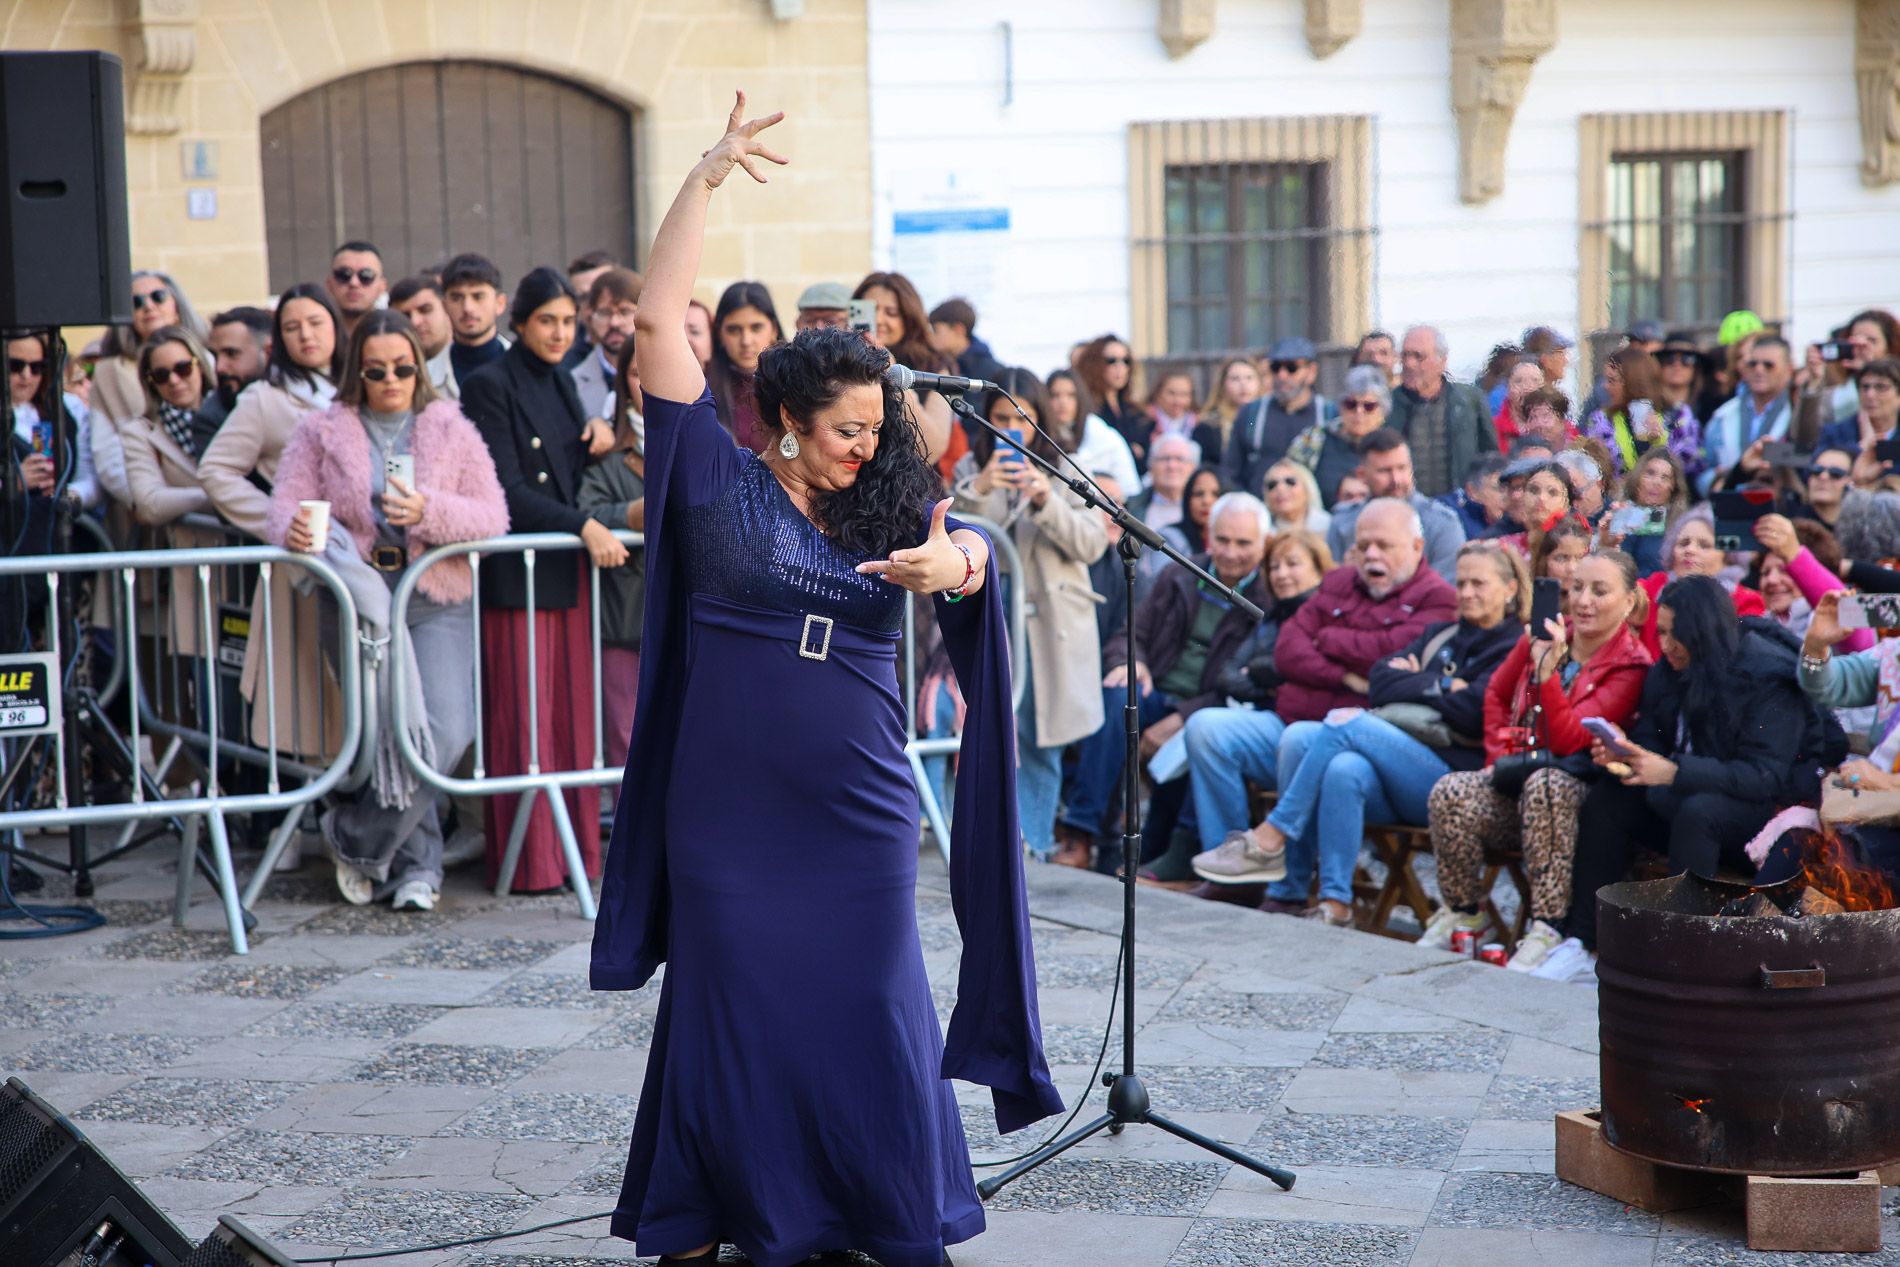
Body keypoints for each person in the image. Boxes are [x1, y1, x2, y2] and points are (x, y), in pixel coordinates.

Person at [588, 96, 1060, 1267]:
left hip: (854, 803)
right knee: (730, 1011)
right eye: (846, 428)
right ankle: (721, 1214)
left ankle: (881, 1214)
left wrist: (956, 563)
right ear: (787, 419)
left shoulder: (889, 495)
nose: (867, 444)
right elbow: (659, 319)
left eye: (874, 426)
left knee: (873, 1009)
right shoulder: (705, 467)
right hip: (728, 805)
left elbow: (973, 556)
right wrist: (701, 179)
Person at [269, 309, 508, 911]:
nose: (392, 379)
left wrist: (428, 509)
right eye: (377, 369)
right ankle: (417, 871)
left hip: (435, 597)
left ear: (419, 367)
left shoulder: (449, 426)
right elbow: (285, 508)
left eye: (404, 367)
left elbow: (493, 516)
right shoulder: (321, 430)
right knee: (386, 738)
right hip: (357, 602)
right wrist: (296, 534)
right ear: (357, 370)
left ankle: (353, 837)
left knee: (444, 734)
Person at [1196, 543, 1525, 924]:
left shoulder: (1513, 644)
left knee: (1346, 721)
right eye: (1462, 582)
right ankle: (1333, 901)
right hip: (1396, 771)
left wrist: (1419, 681)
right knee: (1329, 756)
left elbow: (1473, 712)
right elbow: (1381, 683)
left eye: (1478, 583)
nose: (1466, 593)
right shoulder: (1441, 635)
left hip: (1454, 781)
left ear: (1510, 589)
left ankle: (1272, 836)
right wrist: (1444, 687)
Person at [1563, 576, 1846, 981]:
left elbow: (1763, 776)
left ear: (1701, 632)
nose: (1665, 644)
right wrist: (1627, 755)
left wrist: (1674, 771)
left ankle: (1684, 957)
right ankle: (1585, 940)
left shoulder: (1766, 676)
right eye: (1660, 632)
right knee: (1610, 797)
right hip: (1688, 797)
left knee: (1701, 812)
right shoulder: (1670, 669)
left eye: (1675, 634)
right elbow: (1653, 737)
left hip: (1763, 815)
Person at [1184, 499, 1456, 900]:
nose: (1371, 556)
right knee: (1205, 728)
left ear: (1417, 547)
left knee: (1304, 739)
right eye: (1363, 546)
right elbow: (1288, 649)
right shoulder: (1339, 581)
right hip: (1288, 717)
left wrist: (1327, 639)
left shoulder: (1439, 598)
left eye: (1384, 545)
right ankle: (1236, 874)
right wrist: (1344, 672)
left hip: (1354, 742)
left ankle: (1287, 884)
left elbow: (1385, 658)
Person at [460, 267, 622, 895]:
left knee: (571, 725)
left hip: (564, 571)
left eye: (566, 322)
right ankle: (530, 864)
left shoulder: (561, 379)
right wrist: (582, 526)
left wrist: (600, 438)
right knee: (525, 721)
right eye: (546, 321)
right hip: (520, 574)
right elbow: (508, 490)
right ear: (518, 322)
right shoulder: (487, 384)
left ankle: (576, 857)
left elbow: (567, 468)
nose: (559, 333)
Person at [1422, 550, 1652, 975]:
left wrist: (1546, 675)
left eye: (1599, 591)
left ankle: (1546, 926)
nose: (1583, 601)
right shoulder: (1547, 634)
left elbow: (1569, 741)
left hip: (1576, 795)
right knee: (1451, 789)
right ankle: (1465, 911)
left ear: (1629, 601)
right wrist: (1499, 760)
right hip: (1521, 776)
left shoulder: (1631, 666)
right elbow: (1494, 694)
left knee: (1547, 784)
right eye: (1577, 588)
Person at [1055, 494, 1273, 869]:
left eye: (1243, 543)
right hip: (1156, 690)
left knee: (1199, 732)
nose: (1231, 552)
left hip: (1208, 707)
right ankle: (1083, 829)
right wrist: (1134, 661)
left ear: (1263, 545)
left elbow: (1246, 684)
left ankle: (1163, 851)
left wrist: (1184, 716)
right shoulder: (1181, 573)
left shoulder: (1265, 598)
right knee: (1118, 695)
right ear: (1208, 537)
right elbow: (1130, 630)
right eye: (1223, 540)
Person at [951, 369, 1107, 863]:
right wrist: (979, 489)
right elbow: (959, 539)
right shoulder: (970, 474)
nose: (1009, 429)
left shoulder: (1067, 469)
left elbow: (1092, 542)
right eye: (999, 419)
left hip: (1055, 627)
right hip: (997, 618)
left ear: (1039, 419)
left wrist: (1044, 498)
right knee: (993, 734)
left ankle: (1033, 846)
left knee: (1043, 740)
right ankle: (995, 846)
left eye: (1022, 418)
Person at [198, 284, 348, 758]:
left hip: (373, 559)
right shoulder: (266, 397)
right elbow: (217, 470)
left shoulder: (365, 380)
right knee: (319, 705)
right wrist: (279, 521)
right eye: (292, 327)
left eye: (316, 322)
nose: (306, 335)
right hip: (309, 565)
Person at [1139, 531, 1330, 886]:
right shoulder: (1273, 616)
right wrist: (1266, 675)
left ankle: (1290, 884)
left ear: (1320, 569)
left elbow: (1300, 670)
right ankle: (1225, 867)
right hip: (1270, 719)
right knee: (1204, 727)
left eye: (1293, 564)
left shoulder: (1326, 613)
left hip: (1314, 731)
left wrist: (1265, 672)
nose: (1282, 574)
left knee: (1210, 727)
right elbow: (1230, 674)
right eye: (1274, 566)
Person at [580, 336, 649, 770]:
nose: (651, 383)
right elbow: (583, 510)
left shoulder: (709, 437)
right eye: (639, 373)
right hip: (625, 614)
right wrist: (630, 514)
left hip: (690, 613)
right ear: (624, 382)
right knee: (627, 738)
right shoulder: (605, 450)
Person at [1325, 430, 1466, 581]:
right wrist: (1345, 574)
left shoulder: (1441, 523)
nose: (1396, 480)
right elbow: (1326, 586)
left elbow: (1446, 591)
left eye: (1402, 468)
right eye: (1384, 471)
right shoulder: (1343, 523)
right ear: (1362, 475)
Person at [853, 270, 954, 468]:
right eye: (870, 312)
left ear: (909, 318)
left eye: (891, 313)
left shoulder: (934, 366)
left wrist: (891, 369)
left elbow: (931, 448)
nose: (879, 320)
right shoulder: (844, 362)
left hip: (913, 487)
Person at [1637, 505, 1765, 658]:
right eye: (1683, 543)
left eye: (1704, 545)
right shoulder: (1653, 587)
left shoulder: (1747, 602)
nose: (1689, 550)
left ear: (1728, 557)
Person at [1386, 325, 1497, 498]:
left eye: (1418, 357)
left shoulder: (1470, 400)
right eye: (1405, 355)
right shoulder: (1387, 405)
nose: (1409, 364)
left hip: (1461, 505)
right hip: (1405, 507)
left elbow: (1490, 455)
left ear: (1442, 361)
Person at [91, 269, 209, 428]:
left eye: (158, 297)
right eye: (136, 302)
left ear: (178, 307)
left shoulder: (208, 358)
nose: (148, 306)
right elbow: (105, 445)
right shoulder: (109, 372)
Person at [1222, 336, 1332, 497]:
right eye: (1275, 367)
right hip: (1259, 513)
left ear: (1311, 372)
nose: (1282, 375)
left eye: (1291, 368)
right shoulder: (1252, 415)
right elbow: (1231, 471)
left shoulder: (1328, 415)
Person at [1584, 346, 1702, 485]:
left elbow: (1690, 470)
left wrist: (1659, 442)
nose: (1605, 386)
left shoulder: (1678, 416)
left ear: (1631, 382)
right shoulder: (1601, 421)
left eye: (1612, 380)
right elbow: (1592, 470)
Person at [1749, 513, 1866, 649]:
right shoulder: (1754, 631)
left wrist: (1794, 555)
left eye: (1784, 570)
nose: (1771, 580)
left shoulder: (1839, 625)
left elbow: (1858, 633)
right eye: (1765, 572)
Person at [1287, 364, 1394, 508]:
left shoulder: (1392, 447)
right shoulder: (1314, 438)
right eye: (1351, 404)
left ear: (1382, 412)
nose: (1359, 412)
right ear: (1341, 406)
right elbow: (1288, 480)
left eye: (1369, 406)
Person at [1701, 334, 1793, 494]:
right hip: (1731, 506)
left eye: (1768, 365)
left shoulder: (1797, 413)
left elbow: (1805, 459)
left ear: (1788, 370)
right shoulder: (1723, 416)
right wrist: (1714, 481)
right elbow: (1702, 470)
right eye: (1753, 364)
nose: (1759, 370)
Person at [705, 279, 783, 452]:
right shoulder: (703, 390)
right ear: (720, 334)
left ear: (774, 330)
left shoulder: (798, 382)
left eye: (756, 328)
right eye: (734, 330)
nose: (746, 341)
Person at [1798, 309, 1899, 434]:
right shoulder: (1836, 394)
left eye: (1871, 341)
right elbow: (1806, 437)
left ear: (1890, 346)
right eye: (1854, 341)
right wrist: (1814, 382)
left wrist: (1872, 368)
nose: (1861, 346)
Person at [1049, 367, 1139, 494]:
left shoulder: (1103, 436)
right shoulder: (1040, 435)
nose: (1063, 402)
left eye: (1071, 395)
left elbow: (1130, 487)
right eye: (1055, 395)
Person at [573, 267, 643, 420]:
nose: (614, 322)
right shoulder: (572, 382)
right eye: (605, 313)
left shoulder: (664, 374)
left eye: (624, 312)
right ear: (591, 317)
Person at [1610, 449, 1687, 575]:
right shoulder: (1617, 512)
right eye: (1650, 473)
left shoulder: (1680, 526)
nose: (1656, 482)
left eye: (1665, 478)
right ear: (1637, 478)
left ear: (1673, 487)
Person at [442, 253, 511, 385]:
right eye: (457, 298)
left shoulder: (525, 369)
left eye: (478, 296)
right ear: (444, 305)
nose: (468, 308)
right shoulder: (425, 376)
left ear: (500, 303)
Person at [1075, 334, 1147, 458]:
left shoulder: (1132, 408)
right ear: (1095, 364)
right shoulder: (1086, 406)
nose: (1120, 367)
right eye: (1111, 361)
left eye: (1126, 361)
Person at [390, 276, 459, 401]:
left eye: (425, 310)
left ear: (446, 309)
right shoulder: (387, 379)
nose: (415, 322)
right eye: (405, 316)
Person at [1137, 369, 1222, 470]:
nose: (1177, 400)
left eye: (1184, 394)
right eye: (1171, 393)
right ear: (1158, 394)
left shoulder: (1202, 428)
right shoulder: (1142, 424)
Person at [1818, 357, 1900, 458]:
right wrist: (1861, 450)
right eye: (1865, 387)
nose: (1870, 394)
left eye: (1881, 387)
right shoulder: (1835, 434)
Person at [927, 297, 1006, 385]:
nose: (930, 336)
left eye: (935, 330)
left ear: (959, 329)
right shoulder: (936, 364)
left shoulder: (996, 373)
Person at [1199, 354, 1262, 456]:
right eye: (1235, 379)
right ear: (1223, 384)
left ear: (1259, 382)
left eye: (1249, 378)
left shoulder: (1269, 418)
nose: (1243, 384)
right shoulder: (1209, 425)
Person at [326, 240, 387, 334]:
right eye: (344, 275)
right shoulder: (316, 337)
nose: (354, 283)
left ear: (382, 286)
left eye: (366, 276)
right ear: (329, 284)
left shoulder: (395, 336)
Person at [1442, 454, 1508, 540]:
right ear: (1472, 491)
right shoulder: (1448, 517)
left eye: (1511, 488)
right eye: (1500, 489)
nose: (1508, 496)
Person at [1163, 465, 1223, 558]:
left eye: (1215, 494)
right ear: (1187, 500)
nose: (1206, 501)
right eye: (1198, 494)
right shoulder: (1169, 539)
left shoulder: (1235, 543)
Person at [1262, 458, 1330, 537]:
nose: (1280, 488)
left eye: (1290, 481)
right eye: (1272, 485)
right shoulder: (1262, 531)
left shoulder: (1329, 526)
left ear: (1308, 489)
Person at [1793, 446, 1854, 531]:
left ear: (1850, 482)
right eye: (1817, 470)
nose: (1823, 476)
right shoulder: (1790, 524)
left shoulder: (1857, 528)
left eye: (1835, 473)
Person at [1491, 356, 1545, 446]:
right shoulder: (1494, 429)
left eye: (1535, 381)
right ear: (1508, 389)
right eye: (1519, 381)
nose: (1528, 388)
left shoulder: (1558, 427)